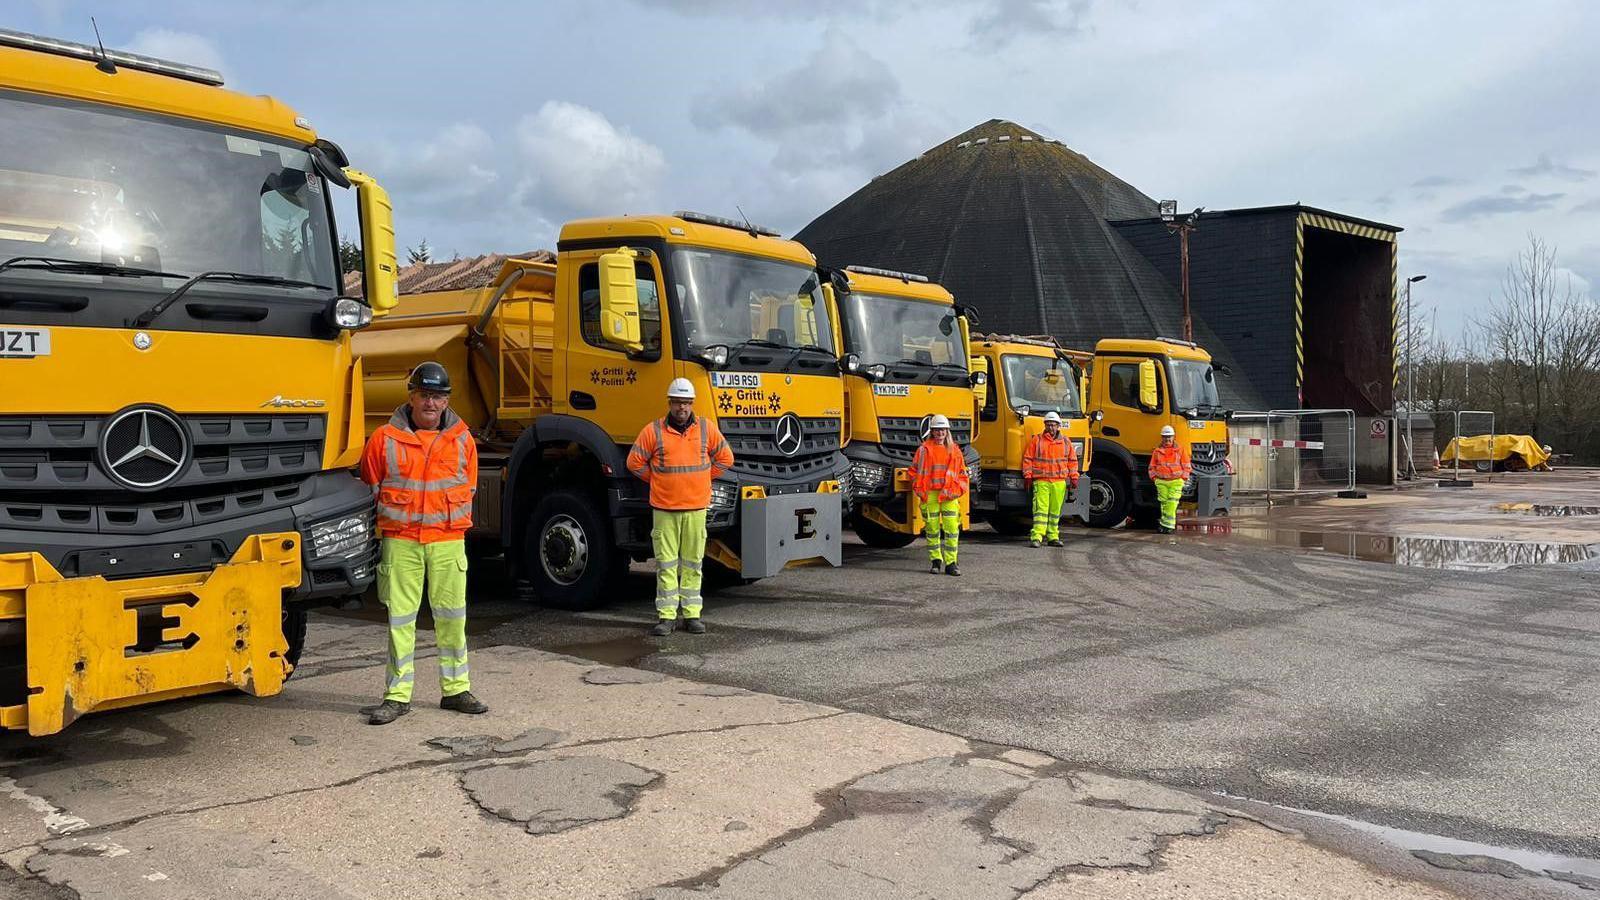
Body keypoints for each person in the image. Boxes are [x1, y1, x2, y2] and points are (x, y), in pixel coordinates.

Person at [359, 361, 487, 725]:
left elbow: (470, 486)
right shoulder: (383, 439)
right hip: (401, 541)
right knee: (401, 620)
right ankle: (397, 697)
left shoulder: (463, 440)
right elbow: (370, 486)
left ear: (446, 401)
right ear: (411, 397)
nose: (430, 403)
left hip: (447, 540)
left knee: (452, 618)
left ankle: (456, 690)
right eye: (424, 395)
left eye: (437, 396)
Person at [627, 378, 734, 636]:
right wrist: (658, 480)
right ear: (670, 403)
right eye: (677, 402)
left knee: (693, 564)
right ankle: (666, 617)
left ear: (691, 404)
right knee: (666, 565)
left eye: (686, 402)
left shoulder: (706, 429)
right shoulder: (653, 431)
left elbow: (726, 458)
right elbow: (634, 462)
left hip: (695, 509)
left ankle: (692, 615)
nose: (682, 407)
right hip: (665, 510)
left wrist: (702, 478)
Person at [911, 414, 969, 576]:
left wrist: (957, 490)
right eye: (937, 430)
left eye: (943, 430)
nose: (940, 433)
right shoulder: (923, 450)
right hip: (929, 495)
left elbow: (962, 474)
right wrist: (918, 487)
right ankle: (936, 561)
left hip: (949, 495)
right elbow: (914, 471)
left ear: (947, 431)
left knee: (951, 529)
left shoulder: (955, 451)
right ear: (932, 432)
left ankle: (951, 563)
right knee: (932, 529)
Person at [1023, 411, 1080, 548]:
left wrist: (1074, 477)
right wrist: (1028, 476)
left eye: (1053, 425)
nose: (1051, 428)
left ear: (1058, 426)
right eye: (1048, 424)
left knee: (1055, 512)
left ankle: (1053, 537)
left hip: (1059, 482)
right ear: (1045, 425)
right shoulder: (1037, 440)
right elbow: (1027, 459)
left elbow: (1072, 461)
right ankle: (1036, 537)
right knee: (1040, 511)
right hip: (1041, 481)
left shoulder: (1066, 442)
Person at [1148, 425, 1192, 534]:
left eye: (1169, 437)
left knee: (1172, 503)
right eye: (1165, 437)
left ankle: (1168, 525)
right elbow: (1151, 467)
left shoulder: (1180, 450)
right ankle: (1165, 525)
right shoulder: (1157, 452)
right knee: (1164, 503)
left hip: (1176, 481)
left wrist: (1183, 478)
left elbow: (1187, 465)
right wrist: (1155, 479)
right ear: (1162, 438)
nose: (1167, 439)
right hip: (1161, 481)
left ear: (1173, 437)